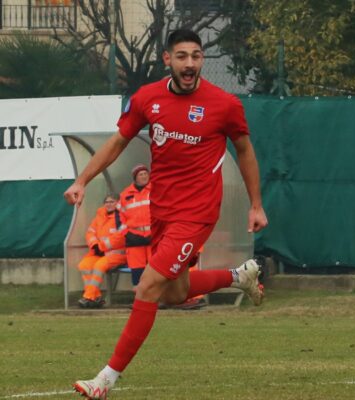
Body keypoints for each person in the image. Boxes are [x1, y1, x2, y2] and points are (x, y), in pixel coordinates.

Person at [64, 29, 268, 399]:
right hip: (163, 210)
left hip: (197, 212)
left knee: (148, 285)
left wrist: (255, 204)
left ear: (202, 59)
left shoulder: (224, 104)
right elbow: (117, 142)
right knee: (174, 293)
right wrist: (82, 180)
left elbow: (245, 150)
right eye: (182, 56)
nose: (190, 64)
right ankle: (238, 276)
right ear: (167, 60)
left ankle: (105, 380)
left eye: (196, 56)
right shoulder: (148, 98)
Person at [77, 193, 126, 309]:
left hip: (117, 254)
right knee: (84, 265)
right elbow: (90, 232)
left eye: (112, 202)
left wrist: (101, 246)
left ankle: (88, 297)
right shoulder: (100, 216)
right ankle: (96, 297)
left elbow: (120, 237)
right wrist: (94, 246)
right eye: (107, 202)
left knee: (99, 265)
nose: (109, 204)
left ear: (118, 203)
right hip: (99, 252)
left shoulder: (122, 217)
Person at [118, 164, 152, 290]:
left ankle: (159, 298)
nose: (144, 176)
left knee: (155, 268)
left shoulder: (156, 190)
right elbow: (119, 218)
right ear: (135, 178)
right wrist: (127, 234)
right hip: (134, 238)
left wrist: (158, 232)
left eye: (145, 173)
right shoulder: (125, 194)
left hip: (153, 237)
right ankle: (139, 299)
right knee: (137, 269)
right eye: (141, 174)